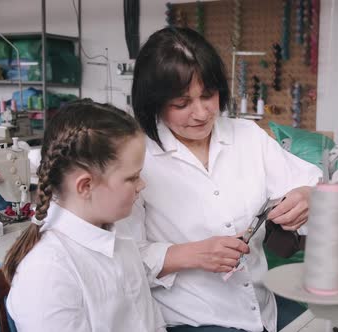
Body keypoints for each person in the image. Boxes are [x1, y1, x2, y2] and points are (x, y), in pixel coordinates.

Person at [130, 27, 322, 332]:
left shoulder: (247, 136)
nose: (202, 112)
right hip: (189, 318)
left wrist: (307, 196)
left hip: (261, 306)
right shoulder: (136, 158)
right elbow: (118, 259)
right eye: (182, 104)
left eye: (208, 95)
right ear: (153, 103)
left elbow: (312, 182)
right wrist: (189, 254)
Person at [3, 100, 166, 332]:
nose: (142, 184)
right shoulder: (48, 274)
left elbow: (150, 322)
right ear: (85, 186)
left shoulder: (117, 236)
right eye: (132, 178)